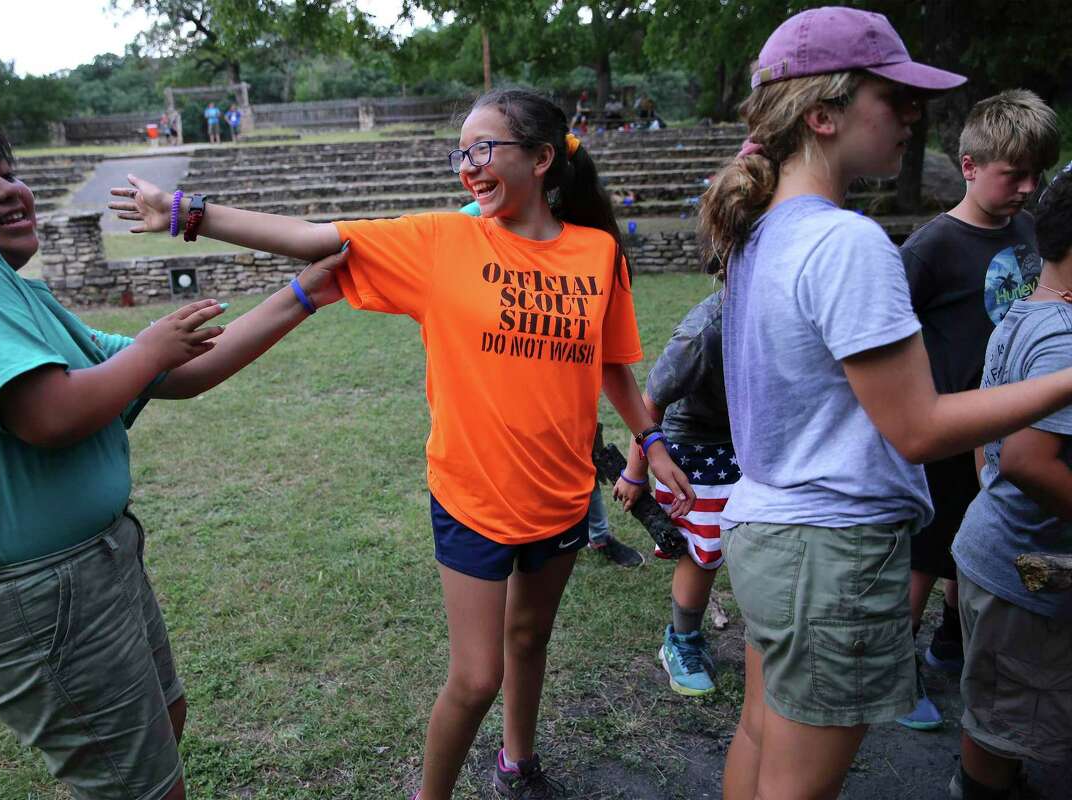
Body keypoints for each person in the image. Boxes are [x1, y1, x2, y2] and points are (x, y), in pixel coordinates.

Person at [110, 88, 695, 800]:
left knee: (531, 640)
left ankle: (519, 760)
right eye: (462, 153)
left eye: (484, 149)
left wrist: (651, 441)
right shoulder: (441, 242)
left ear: (542, 159)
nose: (468, 167)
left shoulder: (598, 254)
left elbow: (611, 363)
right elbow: (309, 238)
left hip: (564, 495)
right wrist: (183, 213)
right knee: (477, 675)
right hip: (473, 496)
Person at [0, 111, 346, 800]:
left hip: (89, 567)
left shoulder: (16, 298)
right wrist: (153, 347)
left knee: (159, 729)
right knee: (138, 789)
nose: (9, 189)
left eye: (9, 171)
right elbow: (50, 413)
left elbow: (176, 373)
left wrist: (307, 292)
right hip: (34, 593)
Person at [697, 8, 1072, 799]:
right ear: (823, 113)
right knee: (800, 785)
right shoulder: (847, 242)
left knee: (758, 734)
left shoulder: (762, 230)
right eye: (892, 96)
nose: (912, 114)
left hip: (768, 528)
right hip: (830, 549)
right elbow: (916, 428)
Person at [896, 89, 1060, 732]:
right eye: (1011, 174)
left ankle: (951, 642)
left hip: (1007, 424)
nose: (1027, 187)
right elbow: (891, 337)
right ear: (968, 166)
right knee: (926, 552)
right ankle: (896, 667)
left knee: (976, 534)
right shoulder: (930, 247)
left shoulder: (1030, 231)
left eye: (1035, 174)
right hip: (947, 424)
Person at [949, 165, 1072, 800]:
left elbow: (984, 426)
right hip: (1027, 571)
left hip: (995, 549)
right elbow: (1028, 459)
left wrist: (987, 492)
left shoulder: (1027, 310)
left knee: (997, 705)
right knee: (1003, 723)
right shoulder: (1064, 341)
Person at [456, 198, 645, 569]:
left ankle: (599, 536)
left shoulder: (587, 243)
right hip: (502, 397)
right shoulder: (475, 219)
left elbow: (611, 361)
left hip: (564, 397)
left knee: (581, 463)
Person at [615, 289, 735, 697]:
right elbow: (650, 400)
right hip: (696, 452)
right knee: (703, 550)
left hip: (749, 441)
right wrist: (635, 471)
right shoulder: (704, 333)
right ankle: (681, 642)